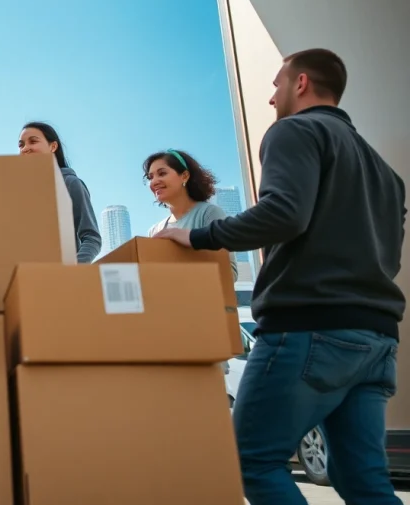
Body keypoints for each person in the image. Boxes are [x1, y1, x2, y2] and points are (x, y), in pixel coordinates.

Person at [154, 48, 406, 505]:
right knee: (362, 479)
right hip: (376, 336)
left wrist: (202, 237)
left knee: (251, 460)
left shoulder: (295, 131)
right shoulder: (384, 172)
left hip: (310, 328)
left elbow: (285, 214)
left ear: (302, 83)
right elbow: (390, 255)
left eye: (276, 85)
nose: (272, 98)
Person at [143, 148, 238, 280]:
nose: (154, 182)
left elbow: (229, 274)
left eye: (162, 173)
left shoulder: (208, 213)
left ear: (185, 176)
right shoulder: (154, 231)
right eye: (150, 177)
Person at [18, 122, 102, 263]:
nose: (25, 148)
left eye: (33, 141)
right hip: (26, 277)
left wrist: (70, 273)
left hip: (60, 279)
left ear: (53, 146)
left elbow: (92, 238)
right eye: (21, 145)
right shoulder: (19, 191)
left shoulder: (70, 184)